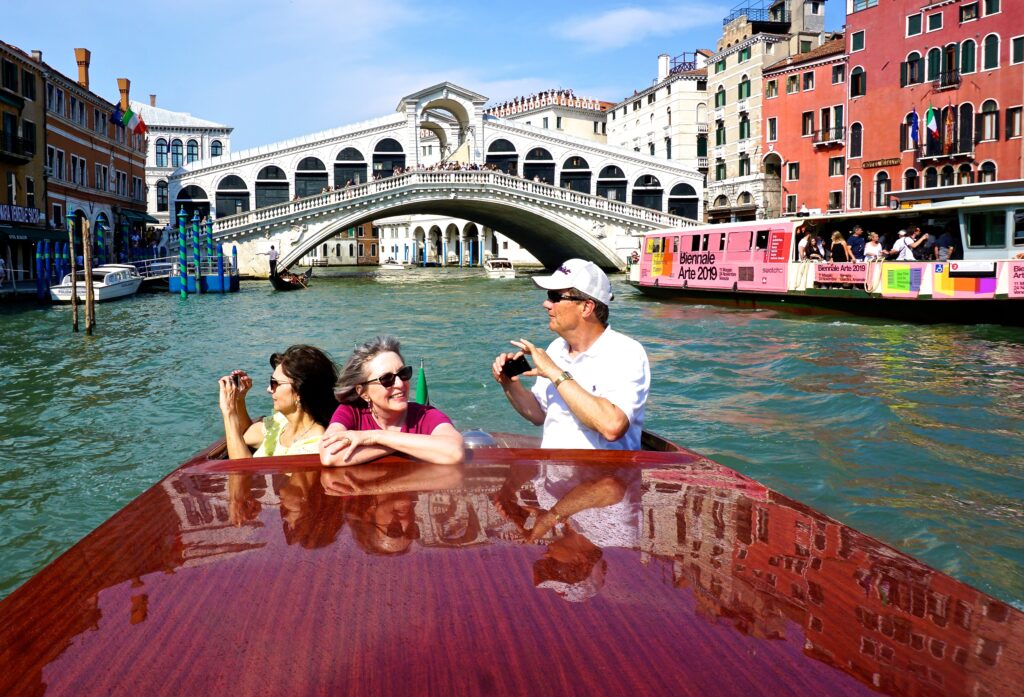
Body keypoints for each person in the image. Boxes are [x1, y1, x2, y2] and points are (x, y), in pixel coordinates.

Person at [491, 258, 650, 450]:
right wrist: (509, 384)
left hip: (604, 476)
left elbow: (612, 426)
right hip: (554, 474)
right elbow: (539, 414)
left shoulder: (625, 352)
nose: (546, 304)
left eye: (555, 297)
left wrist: (554, 371)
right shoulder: (556, 348)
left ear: (586, 307)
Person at [319, 335, 464, 467]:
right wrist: (407, 444)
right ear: (362, 392)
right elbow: (329, 455)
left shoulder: (425, 415)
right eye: (386, 379)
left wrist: (374, 437)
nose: (400, 384)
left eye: (403, 373)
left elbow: (455, 451)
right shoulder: (351, 412)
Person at [218, 345, 339, 460]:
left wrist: (229, 412)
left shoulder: (314, 444)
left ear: (300, 393)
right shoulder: (280, 423)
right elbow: (244, 436)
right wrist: (239, 400)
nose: (269, 389)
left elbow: (243, 474)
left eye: (275, 383)